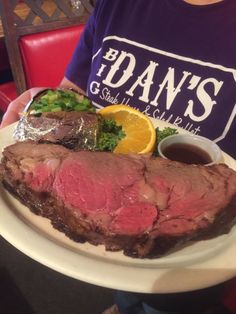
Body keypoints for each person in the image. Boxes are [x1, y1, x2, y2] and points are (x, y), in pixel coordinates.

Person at [1, 0, 236, 313]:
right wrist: (47, 104)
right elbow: (77, 92)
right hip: (107, 218)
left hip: (190, 262)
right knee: (126, 298)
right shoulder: (118, 4)